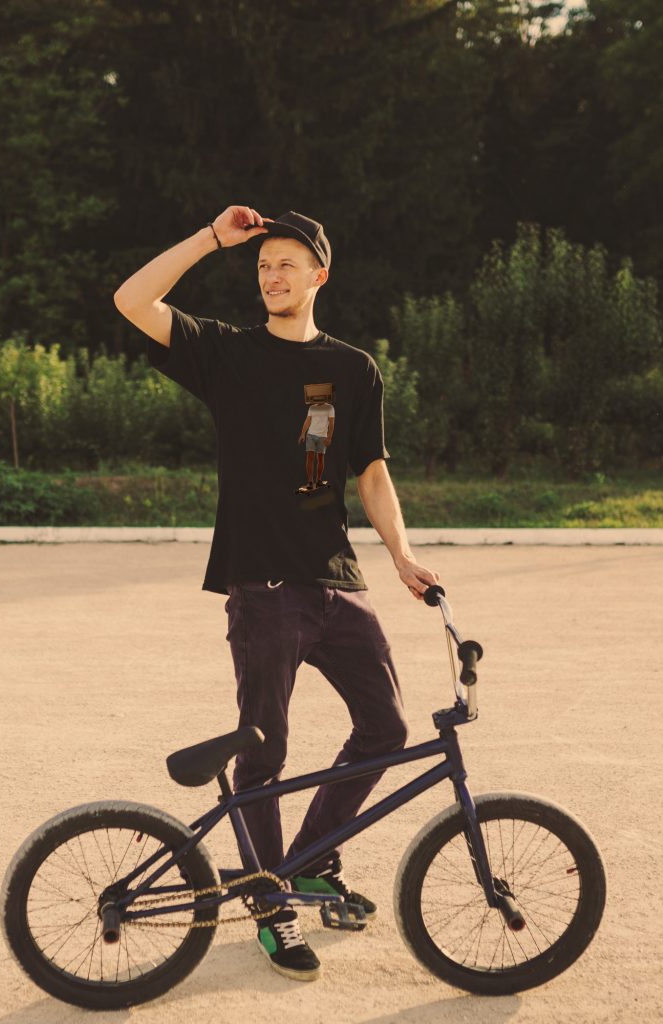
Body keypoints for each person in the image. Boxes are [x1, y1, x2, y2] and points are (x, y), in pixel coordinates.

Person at [113, 205, 441, 982]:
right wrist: (208, 239)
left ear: (319, 276)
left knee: (386, 727)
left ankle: (311, 858)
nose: (272, 276)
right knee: (264, 750)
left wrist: (401, 553)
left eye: (288, 263)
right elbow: (131, 301)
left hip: (335, 578)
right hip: (261, 586)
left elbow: (371, 471)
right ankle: (268, 904)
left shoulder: (356, 369)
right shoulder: (228, 355)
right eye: (264, 265)